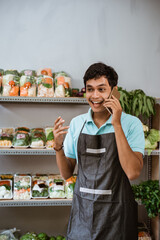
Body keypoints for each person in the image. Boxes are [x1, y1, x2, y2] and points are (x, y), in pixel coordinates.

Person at [53, 62, 145, 240]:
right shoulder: (77, 124)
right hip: (83, 215)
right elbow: (66, 173)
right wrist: (58, 146)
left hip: (117, 216)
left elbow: (133, 172)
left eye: (101, 89)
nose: (95, 96)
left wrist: (116, 123)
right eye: (90, 89)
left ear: (114, 91)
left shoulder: (131, 124)